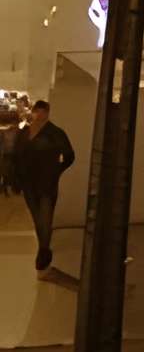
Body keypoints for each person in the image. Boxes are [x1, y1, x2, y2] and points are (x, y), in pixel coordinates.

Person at [14, 98, 77, 272]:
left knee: (45, 216)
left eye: (43, 111)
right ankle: (44, 248)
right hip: (29, 182)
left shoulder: (55, 132)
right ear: (34, 112)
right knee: (37, 216)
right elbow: (16, 155)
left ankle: (43, 251)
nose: (39, 114)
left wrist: (57, 170)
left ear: (47, 113)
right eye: (37, 111)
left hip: (47, 181)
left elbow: (70, 155)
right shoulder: (25, 132)